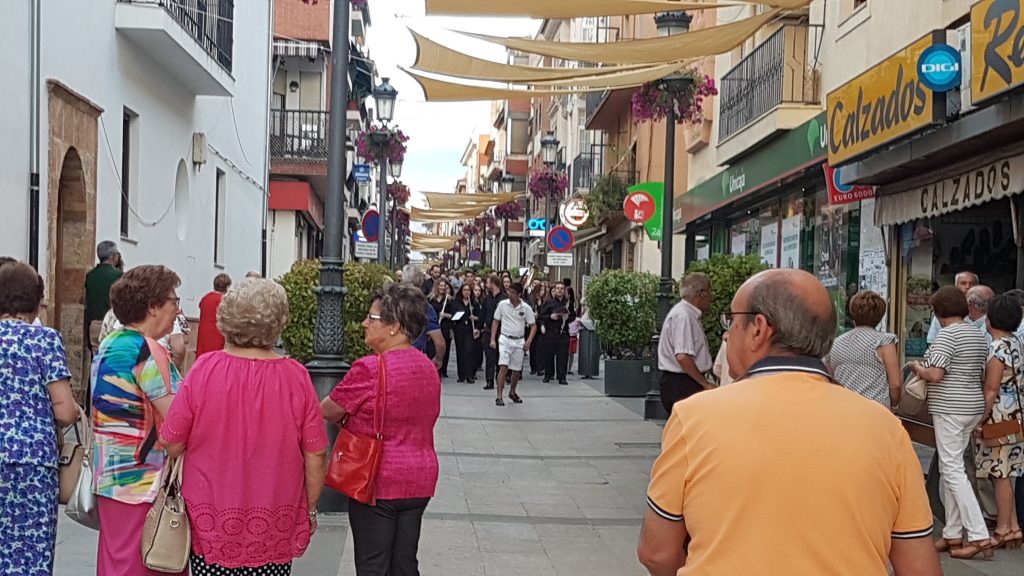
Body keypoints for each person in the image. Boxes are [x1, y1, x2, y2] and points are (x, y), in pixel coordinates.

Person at [638, 269, 941, 576]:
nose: (727, 334)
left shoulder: (693, 418)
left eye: (732, 321)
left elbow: (657, 553)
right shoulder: (885, 428)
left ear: (759, 329)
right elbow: (920, 567)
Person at [160, 279, 327, 574]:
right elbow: (315, 454)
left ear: (228, 318)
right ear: (279, 321)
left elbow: (172, 441)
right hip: (276, 514)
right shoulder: (296, 377)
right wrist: (309, 507)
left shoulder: (204, 370)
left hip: (210, 515)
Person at [321, 284, 441, 575]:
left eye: (372, 319)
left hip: (377, 478)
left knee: (373, 563)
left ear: (394, 327)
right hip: (420, 476)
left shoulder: (371, 368)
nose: (364, 323)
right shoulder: (427, 366)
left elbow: (328, 409)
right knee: (404, 563)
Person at [91, 265, 184, 575]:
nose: (178, 308)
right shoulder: (149, 352)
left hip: (110, 476)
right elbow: (175, 420)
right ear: (153, 306)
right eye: (174, 300)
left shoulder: (109, 344)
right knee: (147, 563)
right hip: (145, 480)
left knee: (115, 563)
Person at [0, 262, 78, 576]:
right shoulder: (44, 341)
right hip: (32, 462)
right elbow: (64, 411)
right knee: (30, 554)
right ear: (36, 301)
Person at [908, 286, 996, 559]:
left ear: (938, 311)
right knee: (951, 469)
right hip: (972, 405)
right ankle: (953, 533)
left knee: (953, 470)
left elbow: (935, 374)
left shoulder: (947, 335)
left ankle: (979, 535)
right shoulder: (977, 334)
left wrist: (916, 368)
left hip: (950, 407)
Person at [975, 293, 1024, 548]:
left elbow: (991, 389)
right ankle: (1014, 526)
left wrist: (979, 419)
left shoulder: (997, 349)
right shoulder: (1015, 342)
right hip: (1016, 413)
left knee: (1000, 474)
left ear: (990, 319)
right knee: (1011, 472)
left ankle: (1003, 528)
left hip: (999, 416)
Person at [827, 290, 902, 407]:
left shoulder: (836, 343)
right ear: (880, 315)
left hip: (842, 408)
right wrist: (893, 404)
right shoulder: (883, 342)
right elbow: (895, 384)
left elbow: (830, 379)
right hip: (874, 410)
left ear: (852, 313)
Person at [656, 273, 714, 415]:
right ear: (701, 294)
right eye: (710, 293)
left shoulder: (685, 314)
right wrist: (704, 383)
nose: (711, 298)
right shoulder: (684, 316)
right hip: (683, 383)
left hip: (681, 382)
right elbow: (683, 357)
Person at [490, 282, 537, 406]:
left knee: (516, 369)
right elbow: (495, 321)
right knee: (503, 366)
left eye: (513, 293)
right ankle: (499, 395)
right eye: (509, 292)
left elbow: (533, 326)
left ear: (519, 294)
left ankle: (512, 391)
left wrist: (528, 341)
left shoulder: (526, 308)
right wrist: (493, 339)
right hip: (505, 338)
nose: (510, 295)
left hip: (519, 340)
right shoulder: (502, 305)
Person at [403, 264, 446, 372]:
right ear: (421, 282)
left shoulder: (391, 301)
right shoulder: (424, 306)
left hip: (391, 356)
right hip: (416, 356)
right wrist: (438, 358)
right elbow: (439, 342)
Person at [85, 240, 123, 350]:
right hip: (113, 323)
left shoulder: (90, 276)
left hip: (94, 324)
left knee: (97, 357)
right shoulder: (119, 276)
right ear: (114, 257)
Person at [538, 283, 576, 384]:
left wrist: (568, 318)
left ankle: (562, 377)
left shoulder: (568, 303)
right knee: (549, 355)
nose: (559, 290)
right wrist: (551, 316)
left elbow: (573, 316)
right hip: (551, 332)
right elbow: (541, 316)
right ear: (554, 290)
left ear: (564, 290)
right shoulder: (549, 302)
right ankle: (548, 375)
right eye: (557, 288)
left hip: (563, 332)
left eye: (562, 288)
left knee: (563, 356)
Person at [927, 271, 979, 344]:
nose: (968, 287)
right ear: (956, 286)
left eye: (972, 283)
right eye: (963, 283)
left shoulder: (983, 312)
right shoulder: (943, 311)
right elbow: (932, 341)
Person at [480, 275, 507, 390]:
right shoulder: (487, 298)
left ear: (493, 284)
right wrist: (478, 328)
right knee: (490, 357)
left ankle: (499, 379)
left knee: (500, 357)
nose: (486, 285)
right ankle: (489, 380)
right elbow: (483, 314)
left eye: (488, 283)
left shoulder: (505, 298)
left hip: (502, 330)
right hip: (488, 330)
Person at [195, 273, 231, 357]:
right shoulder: (223, 300)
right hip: (217, 337)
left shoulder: (205, 298)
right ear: (227, 287)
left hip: (203, 337)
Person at [452, 284, 482, 384]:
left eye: (468, 290)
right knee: (460, 351)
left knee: (469, 351)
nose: (466, 292)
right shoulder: (456, 302)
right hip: (459, 329)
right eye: (464, 290)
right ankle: (461, 375)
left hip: (470, 329)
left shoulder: (474, 303)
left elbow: (480, 317)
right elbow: (452, 315)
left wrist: (475, 318)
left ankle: (470, 375)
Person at [427, 278, 455, 379]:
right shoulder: (430, 299)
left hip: (445, 327)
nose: (442, 288)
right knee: (431, 349)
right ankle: (432, 369)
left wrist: (446, 315)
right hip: (433, 327)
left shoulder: (449, 300)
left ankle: (442, 370)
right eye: (441, 285)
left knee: (444, 348)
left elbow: (454, 315)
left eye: (444, 286)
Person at [527, 282, 548, 376]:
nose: (542, 292)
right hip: (532, 325)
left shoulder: (545, 302)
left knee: (540, 347)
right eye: (541, 290)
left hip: (541, 326)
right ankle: (533, 367)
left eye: (543, 290)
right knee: (533, 347)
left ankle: (540, 367)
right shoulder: (532, 301)